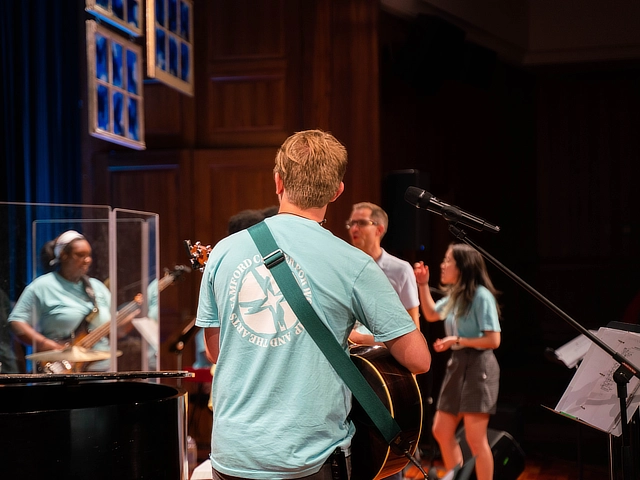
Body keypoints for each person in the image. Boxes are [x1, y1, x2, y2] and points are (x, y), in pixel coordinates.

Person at [196, 129, 431, 480]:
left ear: (278, 181)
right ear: (337, 191)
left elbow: (216, 351)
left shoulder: (224, 251)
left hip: (233, 456)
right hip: (309, 460)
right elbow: (419, 360)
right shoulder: (354, 263)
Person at [413, 243, 501, 480]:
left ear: (462, 267)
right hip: (458, 363)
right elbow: (431, 314)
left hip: (479, 366)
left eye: (447, 260)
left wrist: (457, 339)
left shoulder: (481, 296)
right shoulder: (455, 295)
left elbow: (494, 340)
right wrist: (422, 284)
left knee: (475, 437)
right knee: (441, 430)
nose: (442, 265)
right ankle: (459, 477)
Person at [8, 230, 113, 372]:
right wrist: (48, 345)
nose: (88, 260)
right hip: (62, 369)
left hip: (103, 370)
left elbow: (115, 330)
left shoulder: (97, 287)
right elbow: (16, 323)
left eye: (89, 255)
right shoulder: (42, 286)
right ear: (64, 255)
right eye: (80, 255)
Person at [346, 202, 420, 344]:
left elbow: (413, 333)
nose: (354, 229)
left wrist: (361, 339)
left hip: (381, 360)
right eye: (352, 223)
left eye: (361, 223)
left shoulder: (401, 270)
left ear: (379, 229)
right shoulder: (345, 267)